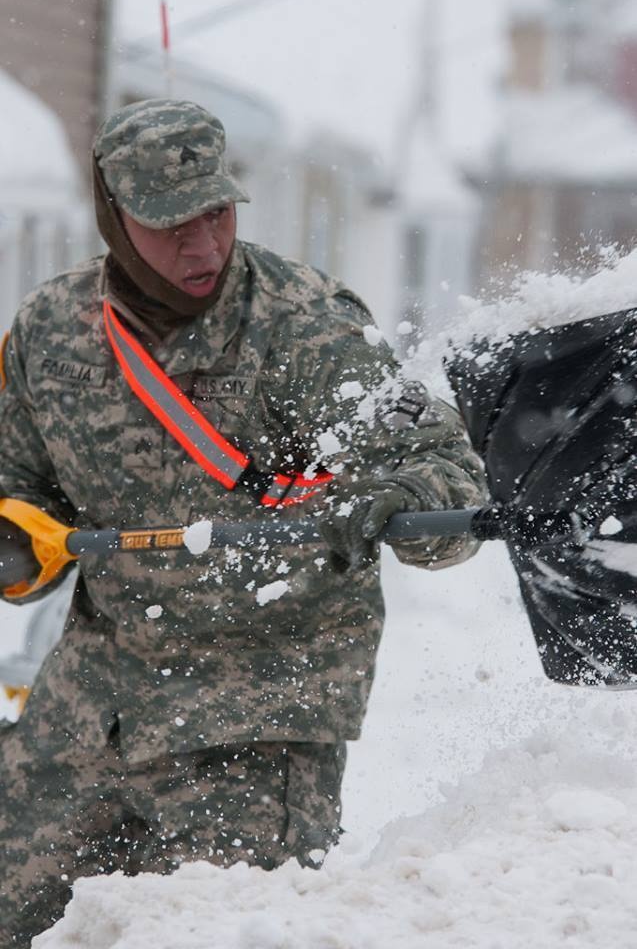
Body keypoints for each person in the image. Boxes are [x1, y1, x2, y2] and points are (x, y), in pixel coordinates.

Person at [0, 98, 486, 945]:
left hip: (256, 717)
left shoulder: (304, 327)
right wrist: (15, 534)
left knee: (215, 934)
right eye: (170, 223)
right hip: (93, 704)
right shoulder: (53, 328)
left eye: (216, 214)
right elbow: (15, 475)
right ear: (114, 216)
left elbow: (439, 465)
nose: (203, 245)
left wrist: (403, 497)